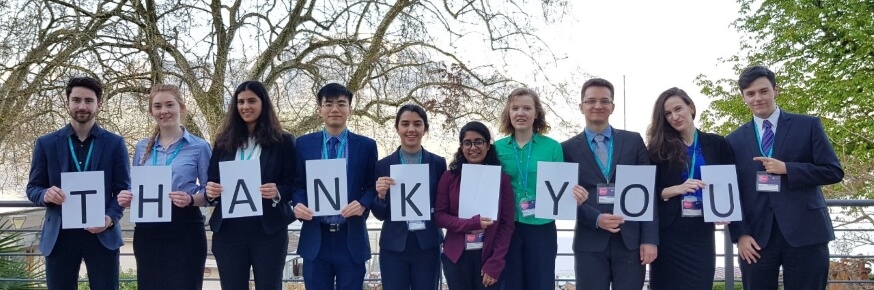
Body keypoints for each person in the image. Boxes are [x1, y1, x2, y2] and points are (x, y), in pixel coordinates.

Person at [726, 66, 843, 290]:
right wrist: (740, 234)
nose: (757, 98)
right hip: (756, 240)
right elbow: (733, 192)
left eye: (763, 91)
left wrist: (788, 169)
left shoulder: (807, 125)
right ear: (743, 97)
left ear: (775, 90)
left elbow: (833, 171)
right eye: (750, 94)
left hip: (806, 233)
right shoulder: (733, 140)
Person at [25, 76, 129, 289]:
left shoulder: (115, 143)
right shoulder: (45, 143)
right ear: (67, 102)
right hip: (60, 237)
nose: (82, 106)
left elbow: (123, 191)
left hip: (102, 234)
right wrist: (45, 194)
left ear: (99, 104)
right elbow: (33, 188)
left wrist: (109, 218)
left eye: (89, 101)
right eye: (77, 100)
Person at [561, 78, 658, 290]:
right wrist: (596, 218)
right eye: (591, 101)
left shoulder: (634, 141)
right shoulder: (566, 149)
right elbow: (564, 198)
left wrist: (650, 239)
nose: (598, 106)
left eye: (605, 101)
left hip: (630, 241)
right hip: (590, 242)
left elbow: (648, 191)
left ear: (612, 107)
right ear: (581, 106)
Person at [202, 80, 297, 289]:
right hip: (229, 231)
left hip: (268, 230)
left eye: (252, 101)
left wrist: (278, 192)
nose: (246, 106)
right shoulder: (223, 141)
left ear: (263, 104)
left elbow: (293, 184)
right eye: (241, 102)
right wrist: (211, 190)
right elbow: (212, 181)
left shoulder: (283, 141)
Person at [115, 84, 211, 290]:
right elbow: (135, 187)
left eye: (169, 104)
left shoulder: (200, 146)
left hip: (185, 227)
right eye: (157, 106)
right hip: (148, 230)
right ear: (151, 112)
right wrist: (127, 197)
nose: (164, 111)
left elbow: (210, 192)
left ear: (181, 108)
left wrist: (191, 199)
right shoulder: (142, 147)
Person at [494, 88, 587, 290]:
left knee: (541, 283)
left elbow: (562, 186)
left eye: (527, 108)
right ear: (508, 113)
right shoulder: (497, 148)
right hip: (507, 226)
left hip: (541, 226)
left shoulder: (552, 147)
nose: (521, 113)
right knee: (510, 284)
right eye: (515, 108)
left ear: (536, 114)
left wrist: (574, 196)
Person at [646, 87, 734, 289]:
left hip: (701, 230)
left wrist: (724, 208)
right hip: (669, 233)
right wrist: (676, 189)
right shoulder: (657, 148)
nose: (674, 117)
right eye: (667, 113)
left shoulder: (717, 143)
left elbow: (729, 182)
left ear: (691, 107)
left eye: (678, 109)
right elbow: (648, 190)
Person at [293, 83, 378, 289]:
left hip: (350, 237)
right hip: (316, 237)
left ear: (350, 109)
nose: (335, 109)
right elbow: (297, 185)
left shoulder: (366, 146)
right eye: (328, 104)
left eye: (341, 104)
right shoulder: (303, 144)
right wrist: (299, 204)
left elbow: (372, 186)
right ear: (319, 110)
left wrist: (363, 204)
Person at [372, 104, 446, 290]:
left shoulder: (437, 163)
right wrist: (381, 196)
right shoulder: (383, 165)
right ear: (397, 128)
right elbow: (380, 214)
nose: (411, 129)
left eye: (417, 124)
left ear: (425, 128)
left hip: (427, 244)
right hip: (394, 246)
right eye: (405, 124)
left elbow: (442, 204)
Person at [434, 121, 515, 290]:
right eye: (467, 142)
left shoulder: (501, 179)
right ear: (461, 147)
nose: (473, 147)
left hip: (489, 258)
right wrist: (471, 223)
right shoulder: (449, 178)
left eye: (479, 142)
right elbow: (440, 216)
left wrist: (495, 262)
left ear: (487, 146)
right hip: (456, 257)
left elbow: (507, 225)